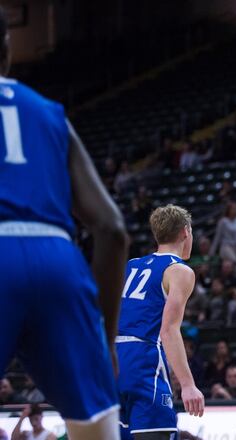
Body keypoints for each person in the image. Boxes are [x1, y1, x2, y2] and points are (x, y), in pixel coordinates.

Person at [0, 6, 128, 439]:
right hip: (58, 259)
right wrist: (103, 339)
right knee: (97, 427)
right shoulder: (49, 113)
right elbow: (111, 229)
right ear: (6, 49)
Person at [116, 205, 205, 439]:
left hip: (110, 359)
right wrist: (187, 385)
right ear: (185, 232)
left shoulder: (131, 264)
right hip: (142, 357)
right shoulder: (179, 271)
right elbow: (168, 330)